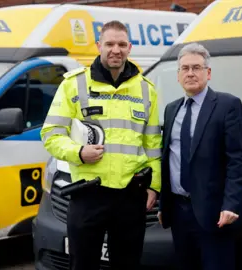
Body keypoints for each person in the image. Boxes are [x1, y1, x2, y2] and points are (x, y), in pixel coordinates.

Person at [40, 20, 162, 270]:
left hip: (131, 194)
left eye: (121, 44)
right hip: (88, 194)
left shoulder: (146, 90)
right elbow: (51, 133)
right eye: (109, 44)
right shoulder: (74, 84)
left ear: (129, 47)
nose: (115, 50)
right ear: (99, 46)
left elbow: (153, 143)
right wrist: (79, 152)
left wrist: (155, 186)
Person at [157, 42, 242, 270]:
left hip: (215, 214)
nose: (190, 73)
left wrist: (231, 204)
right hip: (178, 212)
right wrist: (163, 204)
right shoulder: (171, 110)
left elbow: (237, 160)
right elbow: (168, 159)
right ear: (178, 76)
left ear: (208, 73)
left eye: (196, 68)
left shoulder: (228, 105)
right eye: (184, 68)